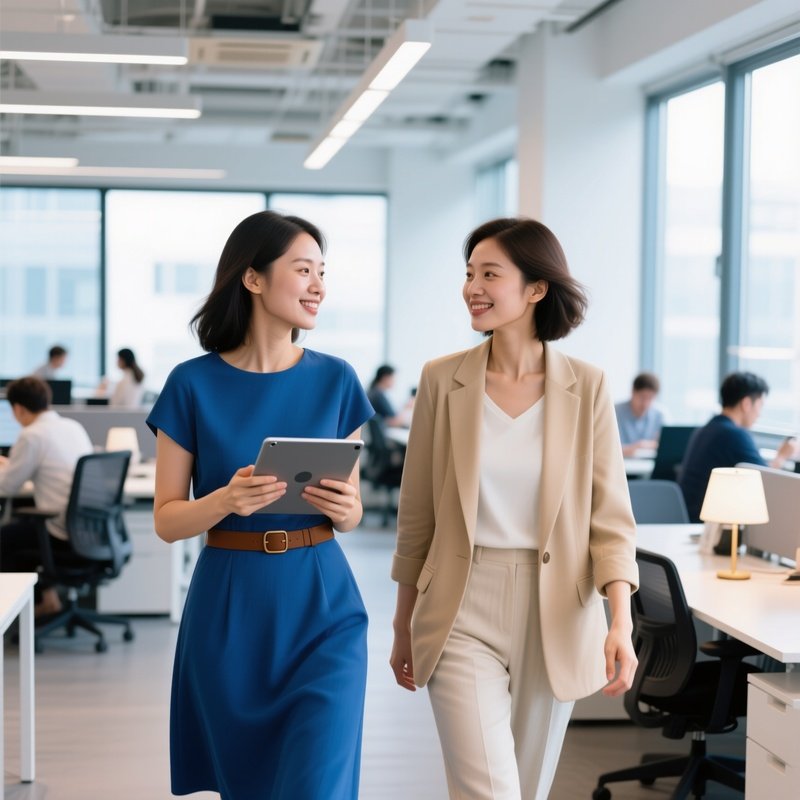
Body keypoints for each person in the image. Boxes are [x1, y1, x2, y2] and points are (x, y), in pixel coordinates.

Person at [389, 217, 639, 800]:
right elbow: (417, 514)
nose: (472, 286)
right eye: (469, 273)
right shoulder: (441, 379)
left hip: (556, 608)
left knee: (525, 789)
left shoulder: (588, 386)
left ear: (535, 289)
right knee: (491, 790)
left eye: (489, 274)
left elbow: (611, 520)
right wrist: (403, 622)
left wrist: (621, 623)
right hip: (459, 602)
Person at [146, 210, 374, 799]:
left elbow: (352, 515)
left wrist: (347, 507)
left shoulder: (338, 380)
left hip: (323, 604)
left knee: (317, 782)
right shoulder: (190, 384)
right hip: (230, 608)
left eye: (322, 272)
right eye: (304, 270)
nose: (319, 285)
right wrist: (224, 499)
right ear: (252, 279)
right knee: (246, 785)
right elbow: (168, 520)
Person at [0, 376, 92, 615]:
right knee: (23, 529)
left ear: (18, 408)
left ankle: (15, 612)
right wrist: (13, 464)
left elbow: (7, 487)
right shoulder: (72, 426)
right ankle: (47, 599)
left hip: (60, 532)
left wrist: (6, 469)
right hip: (87, 530)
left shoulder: (32, 435)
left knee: (6, 538)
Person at [679, 371, 797, 522]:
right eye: (760, 405)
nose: (759, 414)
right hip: (707, 522)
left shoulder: (706, 429)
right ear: (746, 403)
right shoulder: (733, 435)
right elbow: (765, 481)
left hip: (691, 515)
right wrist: (782, 457)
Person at [615, 372, 666, 456]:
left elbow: (665, 445)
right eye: (642, 397)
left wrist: (643, 445)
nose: (645, 403)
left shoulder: (660, 415)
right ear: (632, 392)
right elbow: (608, 448)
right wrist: (635, 447)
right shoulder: (616, 411)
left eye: (650, 398)